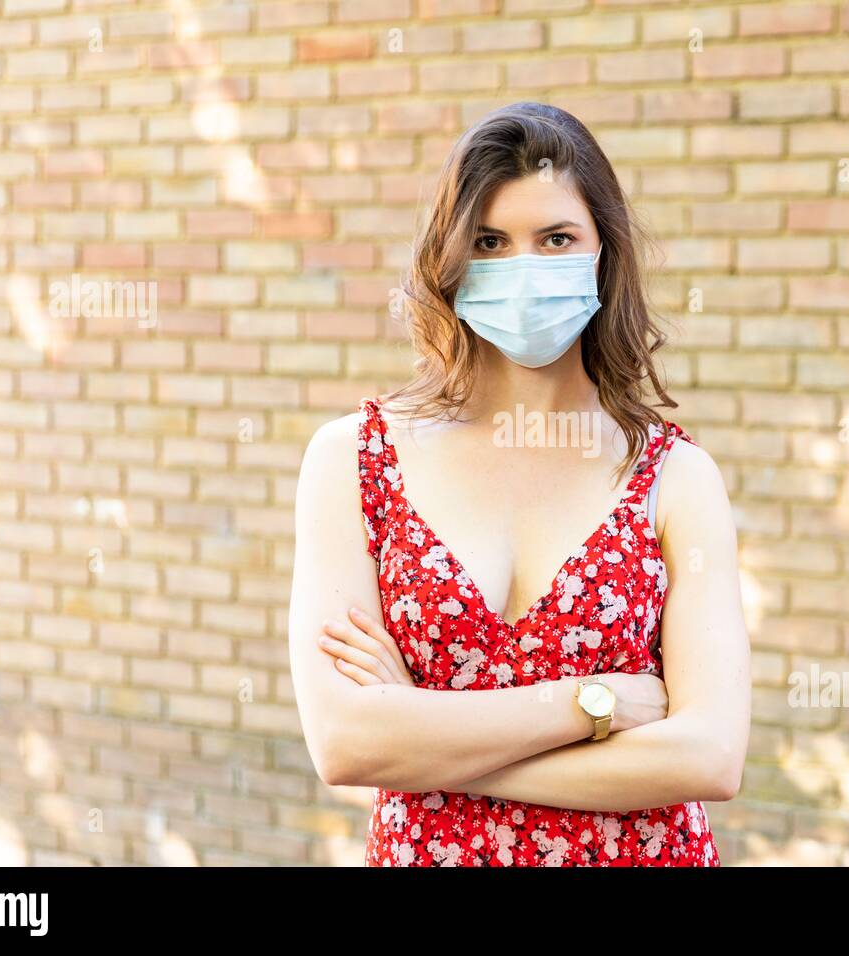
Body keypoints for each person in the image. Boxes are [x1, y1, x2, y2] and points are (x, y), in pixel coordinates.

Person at [288, 102, 750, 866]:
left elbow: (708, 756)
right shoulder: (353, 460)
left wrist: (430, 743)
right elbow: (346, 743)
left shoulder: (675, 477)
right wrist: (592, 704)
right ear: (452, 260)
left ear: (604, 252)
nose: (522, 269)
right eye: (490, 242)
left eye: (557, 239)